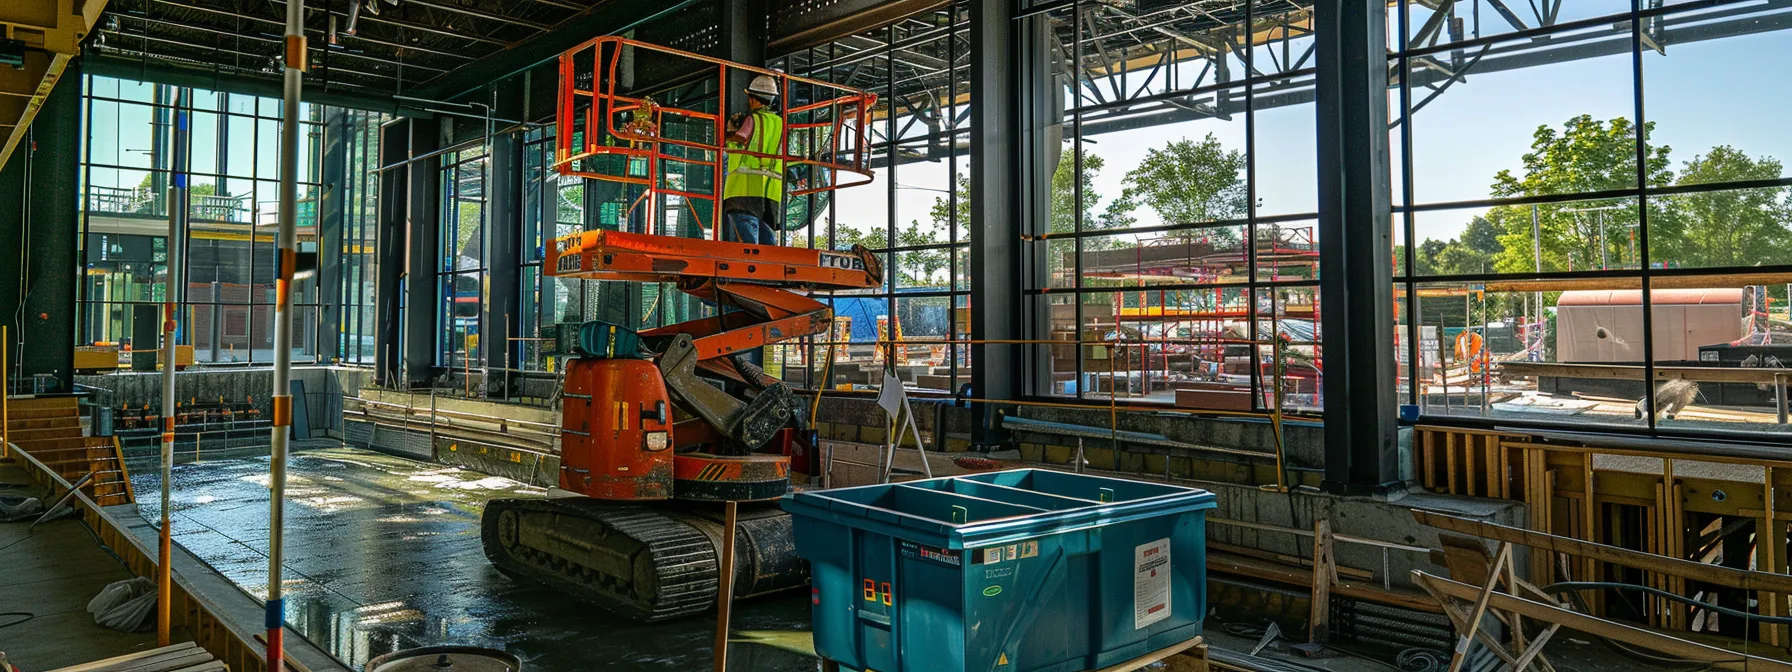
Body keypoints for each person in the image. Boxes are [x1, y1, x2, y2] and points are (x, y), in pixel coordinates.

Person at [722, 74, 785, 247]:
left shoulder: (752, 120)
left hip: (744, 191)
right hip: (770, 194)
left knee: (748, 247)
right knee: (767, 247)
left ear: (755, 99)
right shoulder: (780, 123)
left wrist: (729, 132)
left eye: (750, 97)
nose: (749, 101)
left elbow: (740, 139)